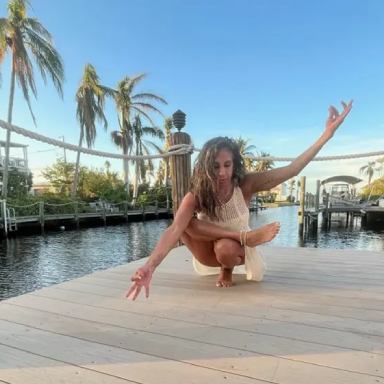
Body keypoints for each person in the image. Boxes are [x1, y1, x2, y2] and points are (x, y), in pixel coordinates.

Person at [126, 100, 353, 300]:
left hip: (236, 252)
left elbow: (292, 169)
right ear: (205, 167)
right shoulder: (197, 194)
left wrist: (327, 135)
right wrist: (149, 266)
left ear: (234, 164)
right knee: (185, 222)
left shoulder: (246, 184)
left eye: (227, 165)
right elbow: (174, 230)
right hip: (211, 252)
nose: (222, 173)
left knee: (225, 246)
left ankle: (229, 267)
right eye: (215, 167)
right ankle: (243, 236)